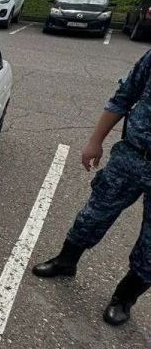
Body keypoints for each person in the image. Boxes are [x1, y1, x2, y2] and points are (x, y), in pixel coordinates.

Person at [33, 49, 151, 325]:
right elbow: (124, 96)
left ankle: (124, 298)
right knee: (94, 213)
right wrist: (95, 141)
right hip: (132, 155)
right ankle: (66, 261)